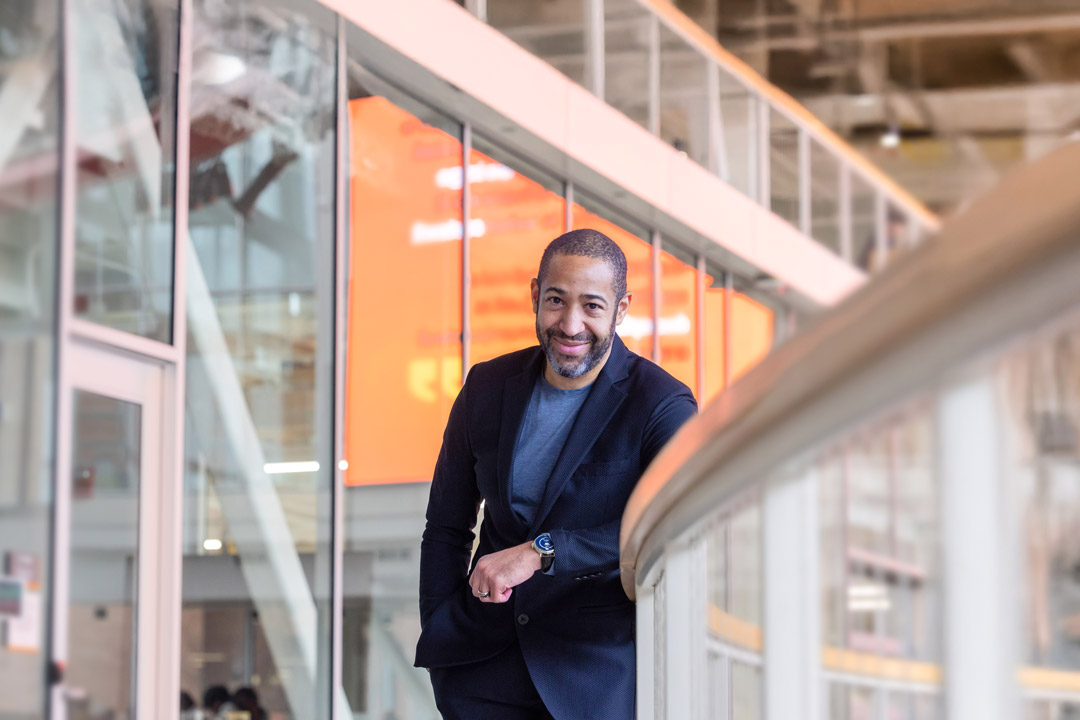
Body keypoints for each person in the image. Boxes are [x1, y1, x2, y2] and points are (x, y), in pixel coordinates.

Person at [415, 229, 698, 719]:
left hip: (588, 679)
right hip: (480, 671)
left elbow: (677, 522)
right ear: (534, 296)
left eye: (592, 306)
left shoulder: (661, 403)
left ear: (621, 309)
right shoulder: (486, 386)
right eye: (556, 300)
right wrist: (441, 628)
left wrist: (543, 552)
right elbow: (445, 526)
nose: (570, 324)